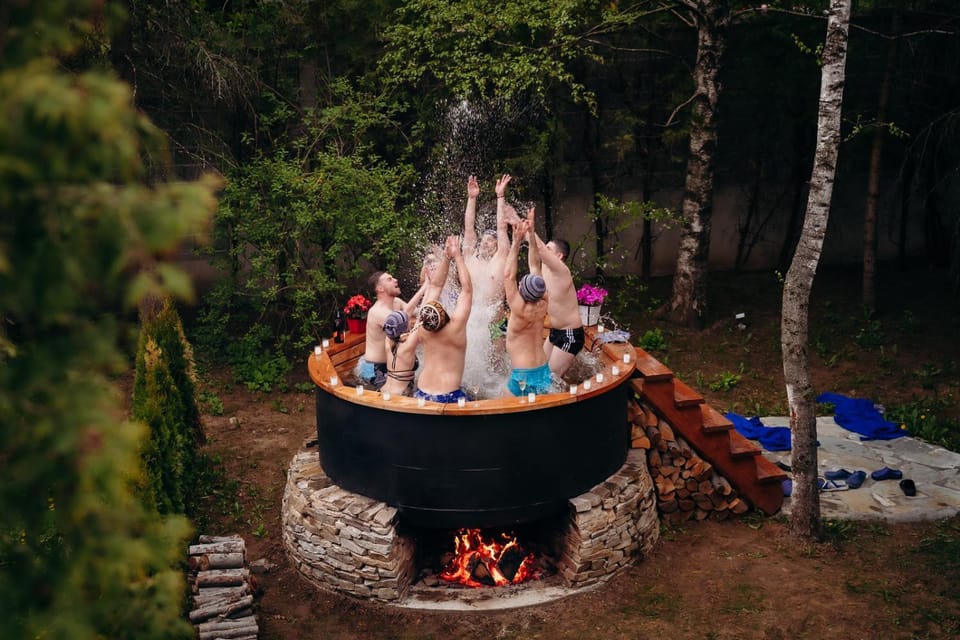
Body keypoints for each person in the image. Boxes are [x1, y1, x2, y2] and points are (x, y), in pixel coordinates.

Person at [413, 234, 473, 403]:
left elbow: (435, 285)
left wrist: (446, 258)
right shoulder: (455, 328)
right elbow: (467, 289)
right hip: (448, 395)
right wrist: (457, 256)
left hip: (421, 393)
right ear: (445, 314)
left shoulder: (422, 327)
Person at [526, 209, 584, 378]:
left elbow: (541, 250)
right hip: (555, 332)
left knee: (550, 379)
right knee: (538, 371)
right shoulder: (544, 270)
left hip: (570, 334)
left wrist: (531, 230)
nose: (544, 250)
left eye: (549, 249)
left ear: (559, 256)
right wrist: (528, 236)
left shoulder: (562, 272)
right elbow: (533, 263)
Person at [502, 216, 552, 396]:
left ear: (522, 289)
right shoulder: (544, 302)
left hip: (523, 375)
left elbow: (508, 276)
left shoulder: (519, 309)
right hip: (543, 369)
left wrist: (516, 242)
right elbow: (535, 265)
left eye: (521, 283)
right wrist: (530, 234)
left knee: (503, 409)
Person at [359, 271, 426, 389]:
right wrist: (427, 286)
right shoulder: (377, 312)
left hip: (393, 364)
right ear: (380, 288)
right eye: (389, 279)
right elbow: (402, 322)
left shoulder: (397, 302)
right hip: (376, 369)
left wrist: (431, 289)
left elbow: (420, 311)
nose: (395, 280)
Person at [380, 310, 420, 396]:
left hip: (383, 391)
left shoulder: (388, 341)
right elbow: (420, 321)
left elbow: (395, 326)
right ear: (404, 327)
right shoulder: (408, 346)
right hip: (400, 395)